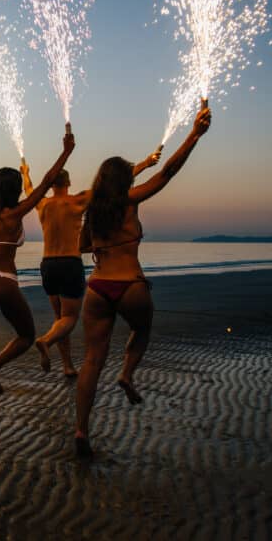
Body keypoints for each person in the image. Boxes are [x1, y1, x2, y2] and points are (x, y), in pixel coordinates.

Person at [74, 100, 211, 457]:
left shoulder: (93, 210)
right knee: (142, 330)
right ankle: (127, 374)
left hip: (98, 288)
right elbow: (167, 173)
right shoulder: (130, 200)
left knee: (91, 360)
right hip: (131, 284)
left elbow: (82, 245)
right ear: (124, 181)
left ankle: (80, 431)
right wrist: (194, 134)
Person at [0, 127, 76, 423]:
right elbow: (48, 181)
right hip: (3, 281)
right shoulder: (15, 214)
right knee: (26, 336)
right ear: (14, 191)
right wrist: (66, 151)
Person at [20, 150, 161, 377]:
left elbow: (29, 189)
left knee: (60, 319)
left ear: (52, 184)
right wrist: (145, 164)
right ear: (68, 183)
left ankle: (67, 365)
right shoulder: (78, 200)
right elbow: (111, 187)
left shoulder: (42, 204)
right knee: (69, 318)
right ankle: (46, 341)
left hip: (47, 265)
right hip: (69, 264)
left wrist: (26, 173)